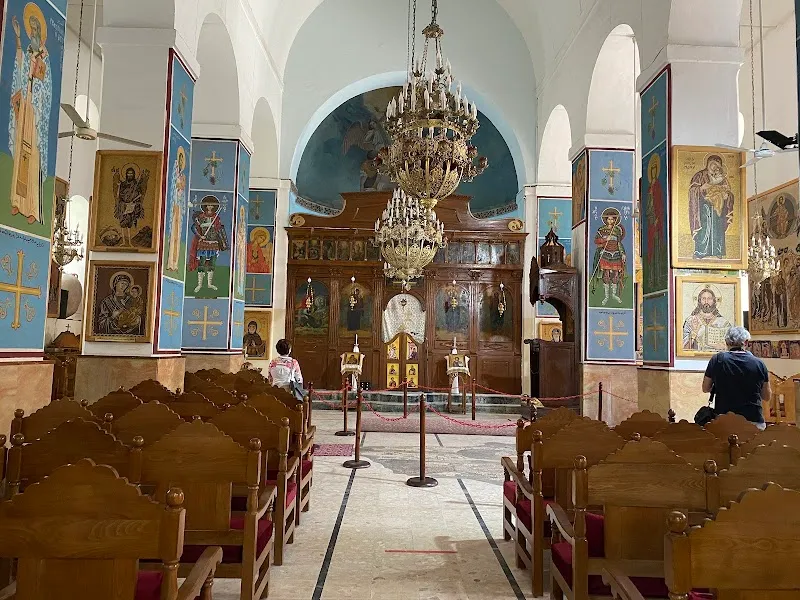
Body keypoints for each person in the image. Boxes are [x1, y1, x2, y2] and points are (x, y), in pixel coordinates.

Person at [702, 326, 770, 431]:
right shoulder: (759, 363)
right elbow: (766, 396)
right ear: (746, 342)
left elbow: (705, 388)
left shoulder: (717, 360)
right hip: (753, 420)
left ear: (726, 342)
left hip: (724, 420)